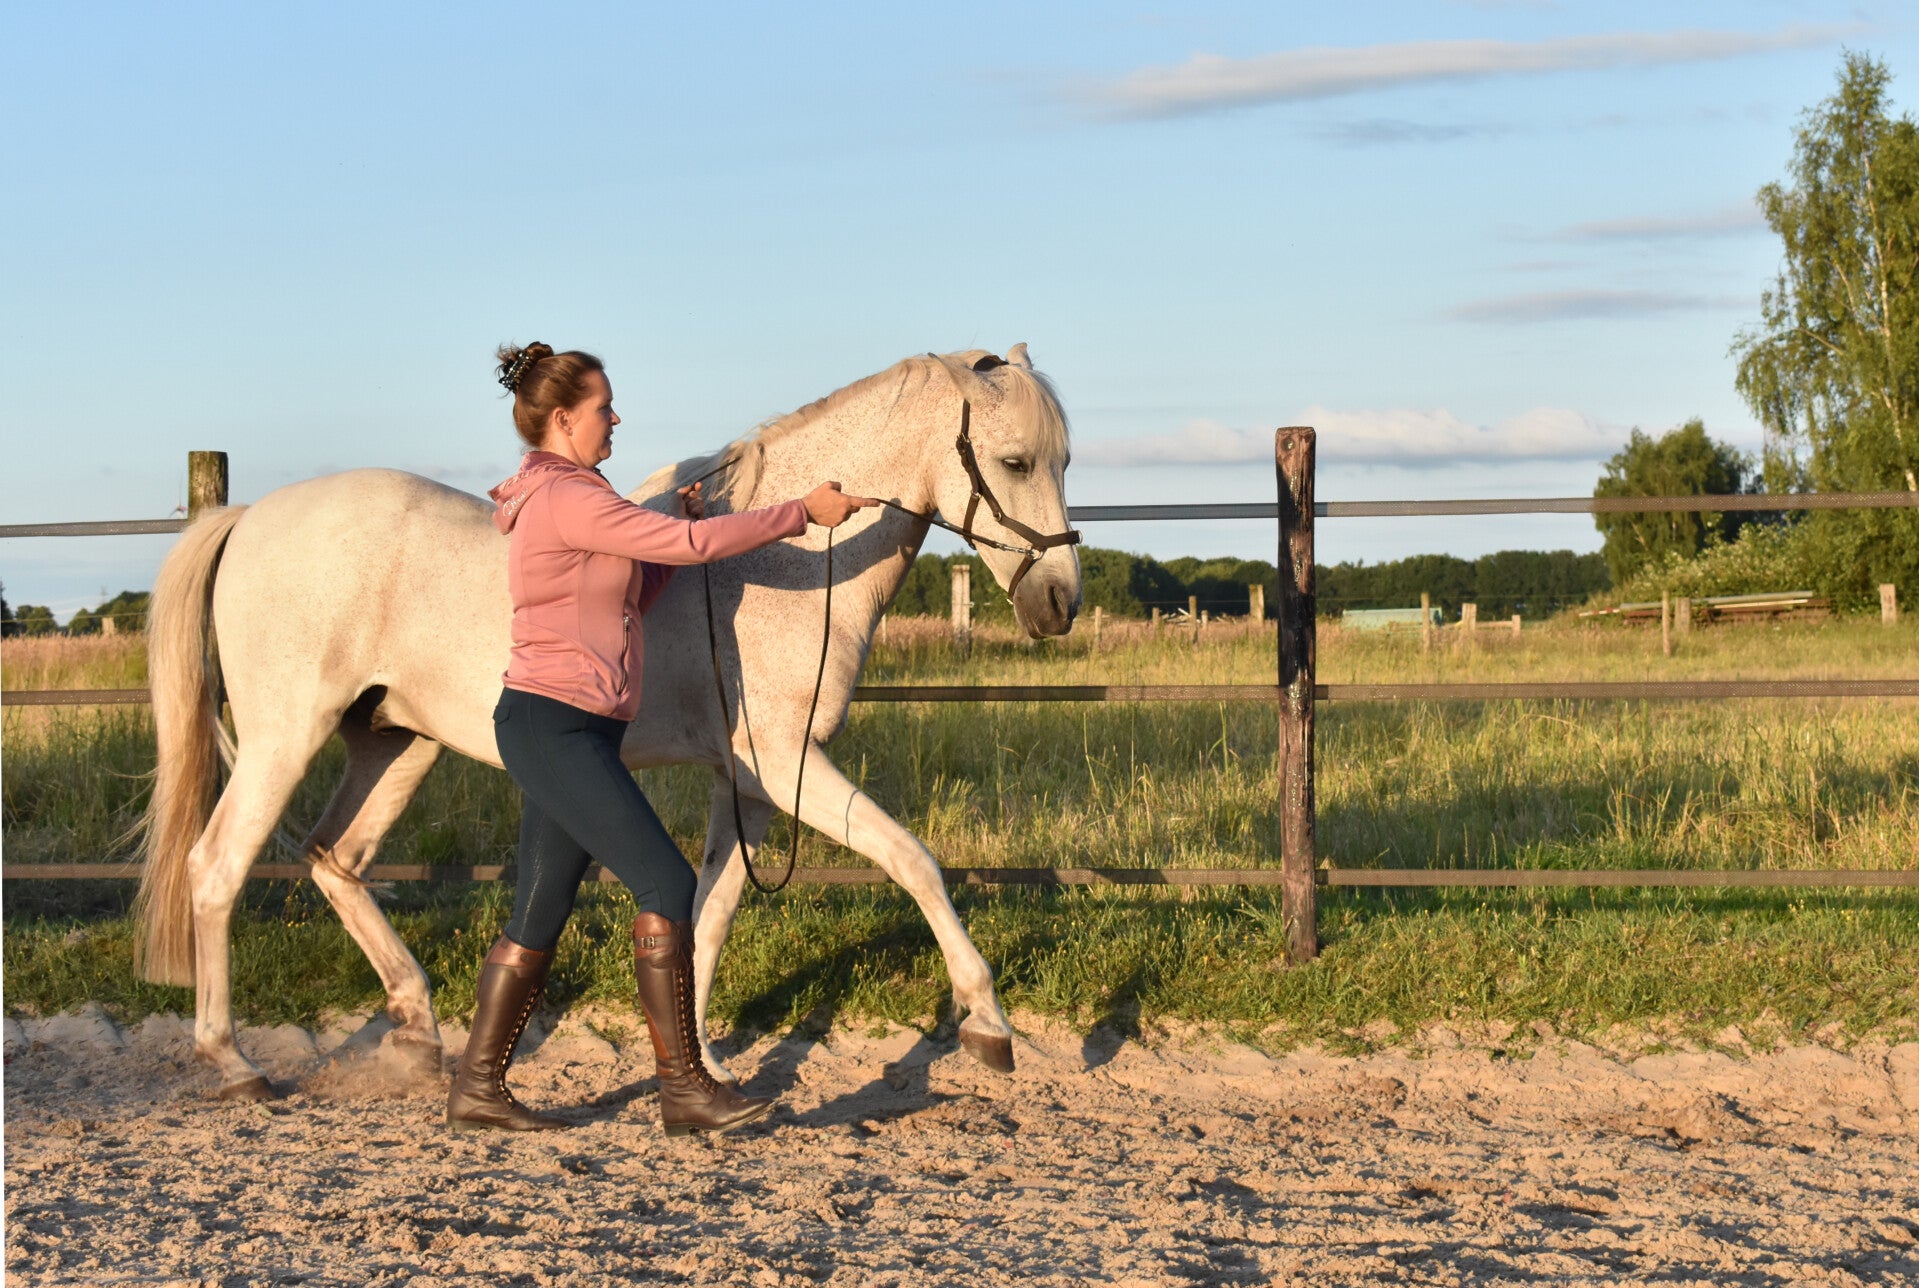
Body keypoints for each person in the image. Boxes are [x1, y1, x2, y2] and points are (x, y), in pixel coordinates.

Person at [446, 342, 875, 1137]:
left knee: (540, 907)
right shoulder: (568, 498)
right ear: (562, 419)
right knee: (667, 885)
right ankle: (683, 1089)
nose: (616, 418)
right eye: (604, 407)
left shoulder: (575, 495)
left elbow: (642, 579)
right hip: (553, 726)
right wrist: (798, 515)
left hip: (571, 725)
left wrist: (680, 523)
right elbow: (685, 548)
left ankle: (476, 1088)